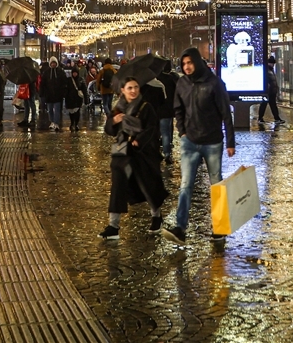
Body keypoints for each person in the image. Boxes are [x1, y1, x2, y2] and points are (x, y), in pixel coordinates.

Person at [161, 47, 235, 246]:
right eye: (184, 64)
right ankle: (180, 228)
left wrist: (230, 142)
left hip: (212, 142)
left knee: (216, 185)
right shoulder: (182, 84)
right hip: (190, 142)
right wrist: (182, 131)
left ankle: (219, 229)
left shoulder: (214, 83)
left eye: (190, 63)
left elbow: (225, 112)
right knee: (185, 185)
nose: (186, 67)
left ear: (197, 62)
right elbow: (178, 108)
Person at [99, 76, 169, 239]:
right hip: (123, 153)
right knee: (118, 186)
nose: (133, 91)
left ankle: (157, 216)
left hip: (143, 154)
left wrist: (139, 140)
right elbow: (109, 130)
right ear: (122, 90)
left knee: (148, 186)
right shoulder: (118, 108)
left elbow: (153, 128)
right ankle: (113, 226)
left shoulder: (146, 107)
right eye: (129, 88)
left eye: (136, 87)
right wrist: (114, 121)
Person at [40, 58, 68, 131]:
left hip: (58, 94)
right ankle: (52, 121)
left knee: (57, 109)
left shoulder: (60, 72)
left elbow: (64, 82)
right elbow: (43, 83)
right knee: (50, 109)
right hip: (49, 94)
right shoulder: (46, 72)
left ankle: (56, 123)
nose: (53, 64)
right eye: (52, 63)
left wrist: (63, 92)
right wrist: (42, 93)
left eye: (54, 63)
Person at [259, 56, 285, 124]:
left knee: (272, 105)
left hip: (272, 91)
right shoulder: (267, 70)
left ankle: (277, 118)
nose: (273, 65)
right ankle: (260, 118)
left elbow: (273, 81)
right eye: (272, 63)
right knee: (264, 105)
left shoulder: (271, 70)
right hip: (268, 92)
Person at [64, 67, 88, 131]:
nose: (74, 74)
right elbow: (65, 89)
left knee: (77, 112)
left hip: (78, 99)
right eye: (73, 73)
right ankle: (72, 123)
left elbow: (84, 90)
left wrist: (86, 99)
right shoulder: (68, 80)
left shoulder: (81, 80)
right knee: (71, 112)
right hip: (70, 99)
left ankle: (76, 124)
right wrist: (65, 95)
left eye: (76, 73)